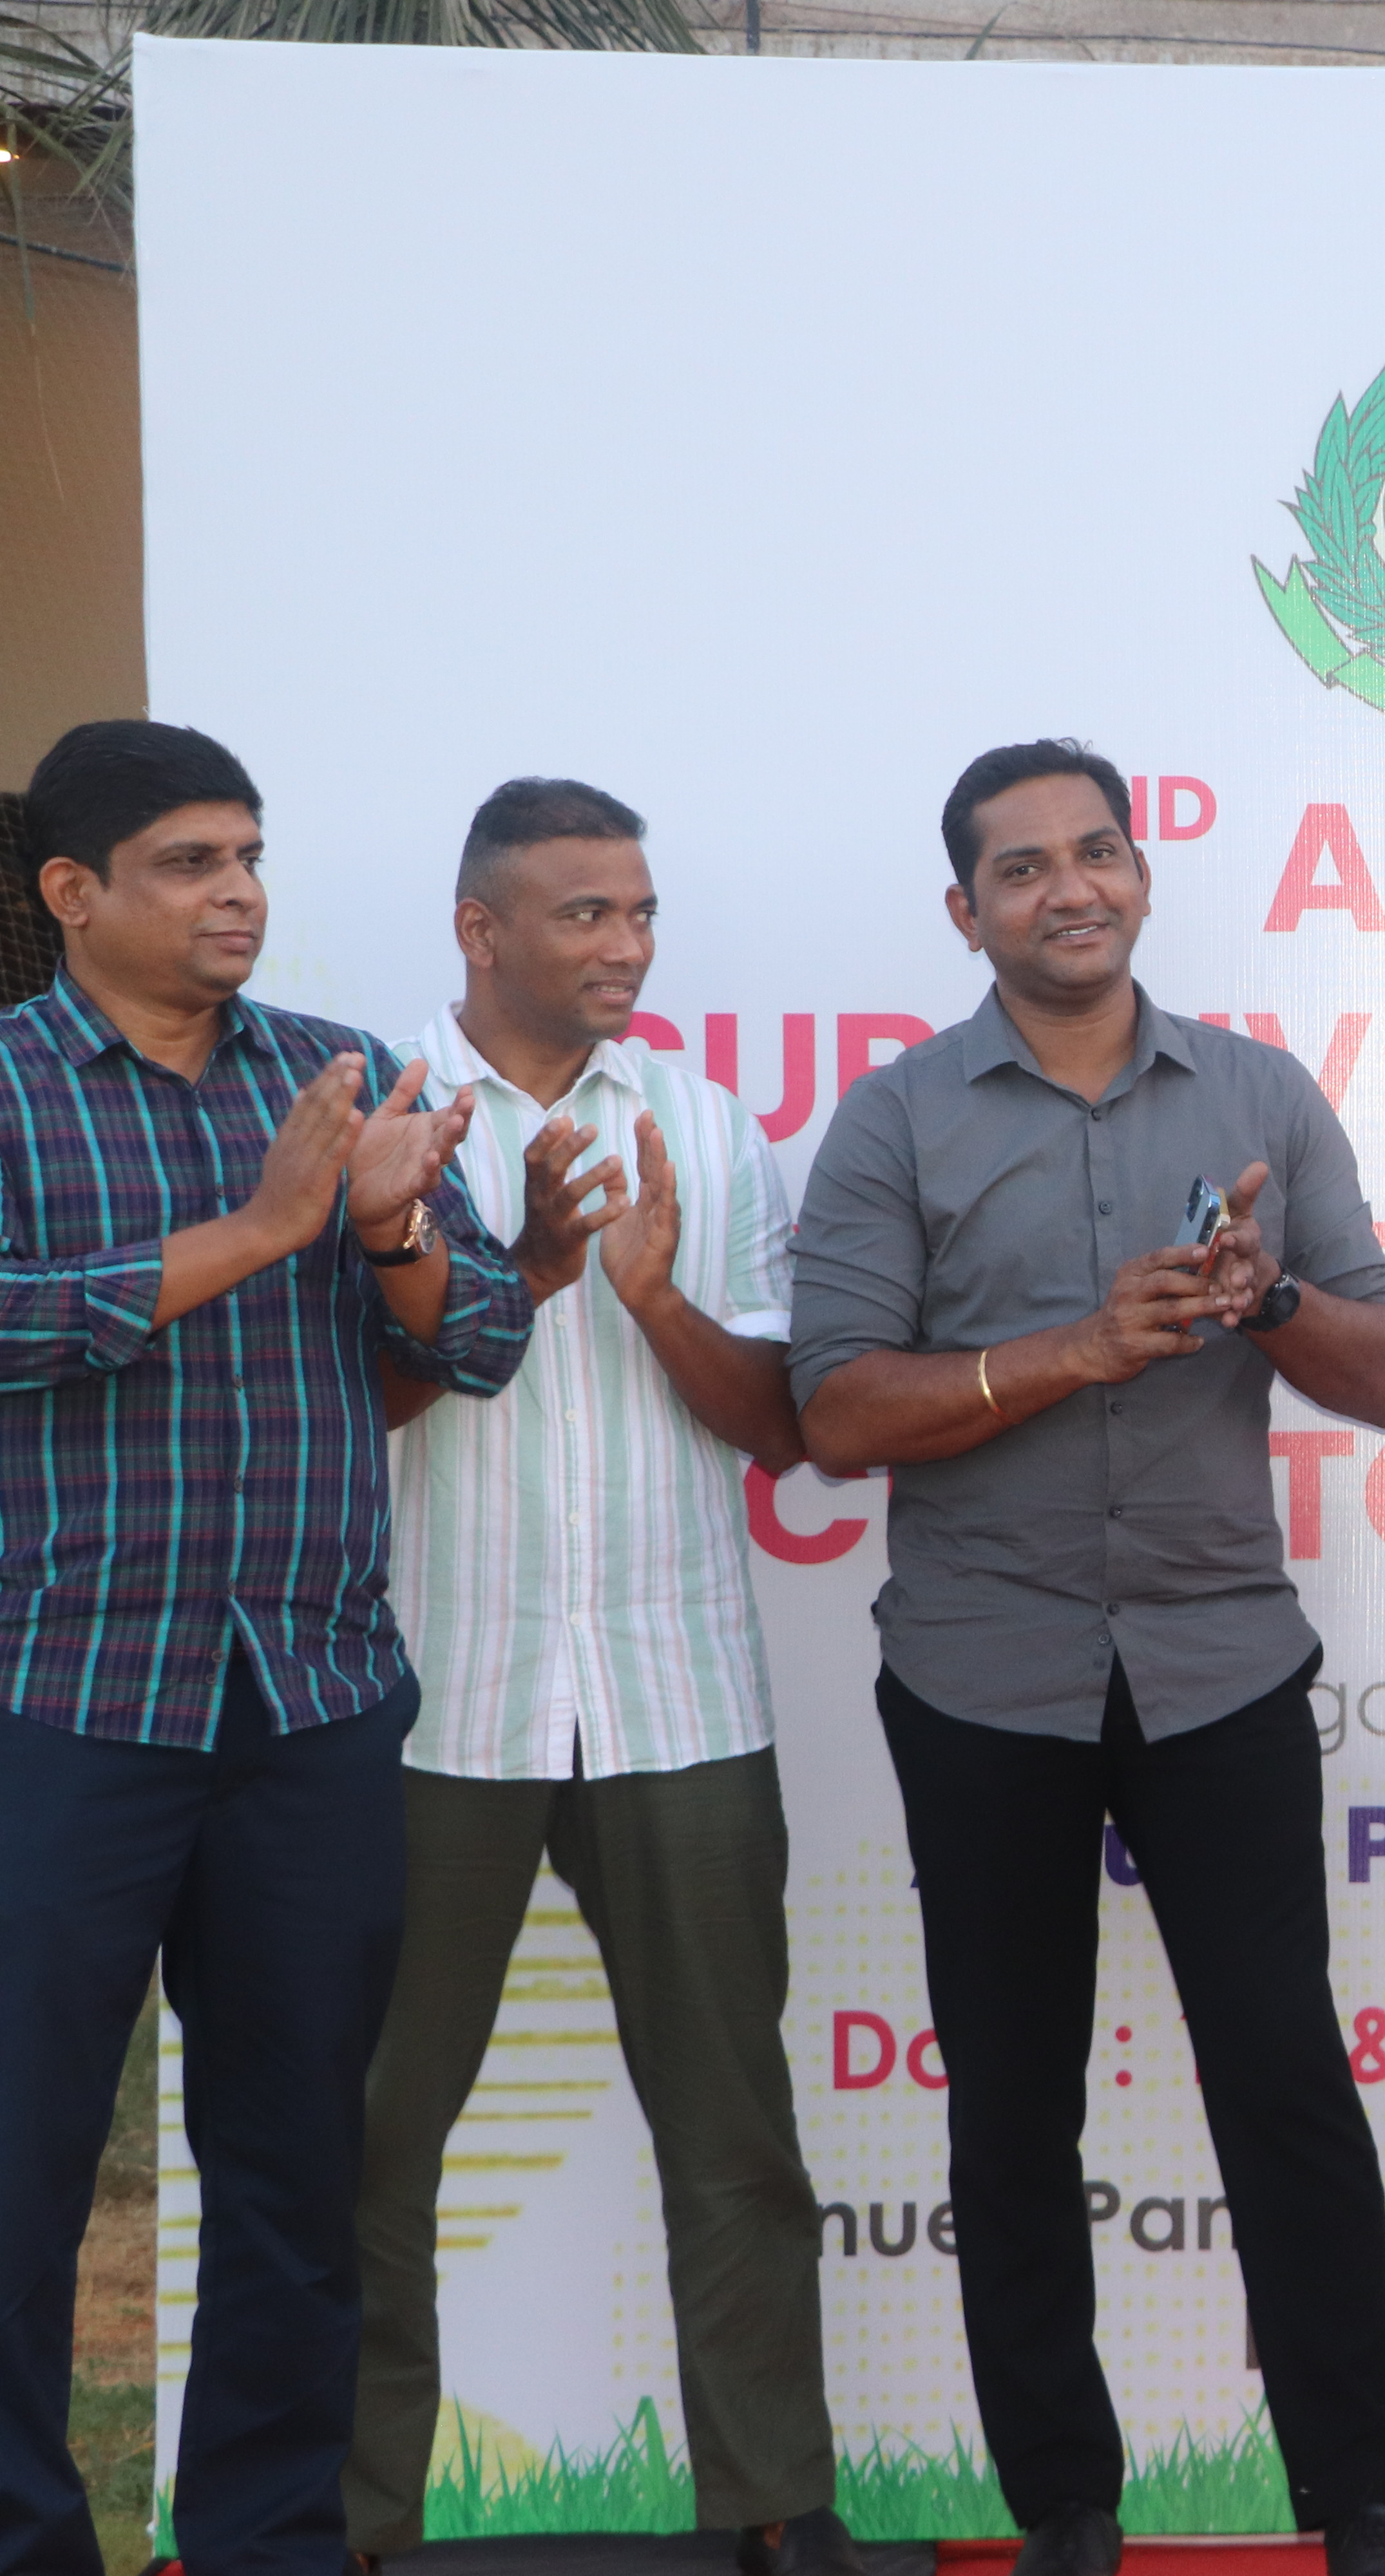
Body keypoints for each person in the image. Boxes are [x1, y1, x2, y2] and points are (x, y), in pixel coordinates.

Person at [785, 741, 1385, 2576]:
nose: (1070, 888)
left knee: (1285, 2080)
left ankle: (1363, 2501)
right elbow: (836, 1411)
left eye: (1097, 853)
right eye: (1024, 867)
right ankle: (1064, 2503)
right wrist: (1076, 1348)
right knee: (1011, 2102)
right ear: (966, 909)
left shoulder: (1259, 1094)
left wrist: (1264, 1298)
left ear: (1142, 874)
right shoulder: (896, 1120)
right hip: (982, 1675)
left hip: (1221, 1664)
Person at [0, 720, 530, 2576]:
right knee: (23, 2174)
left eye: (248, 855)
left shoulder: (338, 1073)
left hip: (309, 1703)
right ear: (74, 894)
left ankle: (268, 2542)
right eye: (189, 864)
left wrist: (385, 1227)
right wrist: (259, 1228)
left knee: (302, 2175)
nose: (238, 895)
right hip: (62, 1705)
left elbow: (480, 1338)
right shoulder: (10, 1089)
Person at [346, 778, 857, 2576]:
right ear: (479, 930)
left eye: (640, 912)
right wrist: (522, 1275)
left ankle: (776, 2509)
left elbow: (779, 1426)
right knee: (370, 2140)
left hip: (677, 1695)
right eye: (585, 914)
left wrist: (648, 1295)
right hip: (432, 1698)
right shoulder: (374, 1120)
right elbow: (345, 1408)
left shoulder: (702, 1126)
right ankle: (351, 2522)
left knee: (735, 2136)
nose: (627, 945)